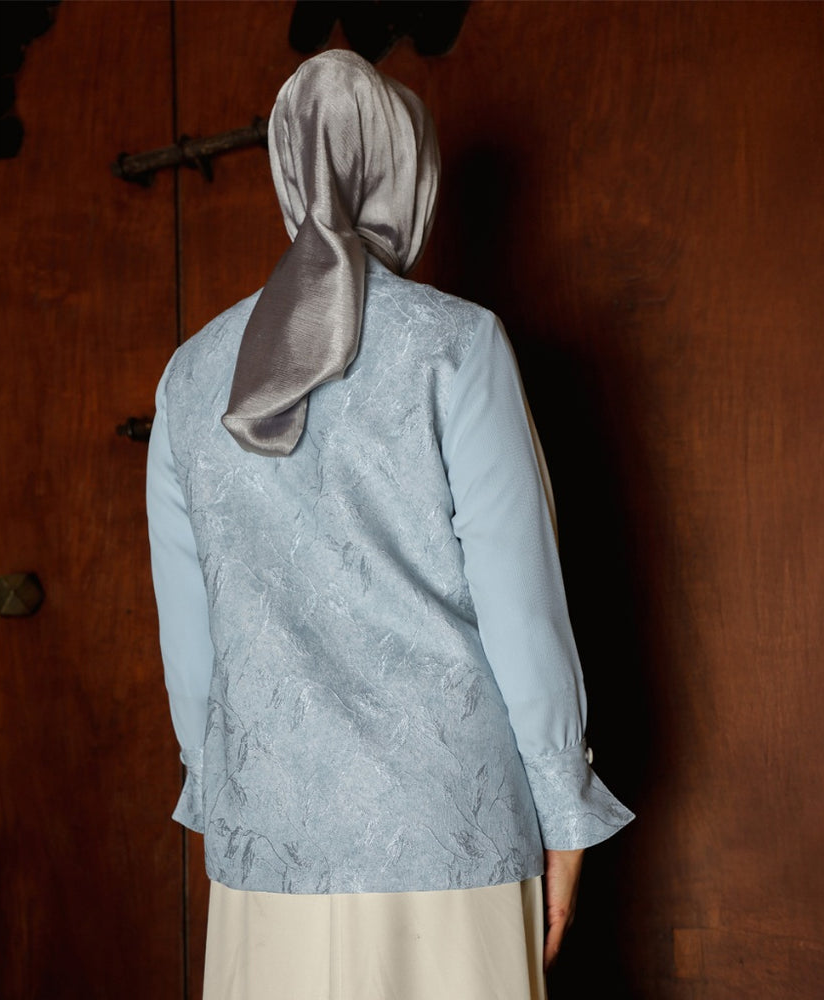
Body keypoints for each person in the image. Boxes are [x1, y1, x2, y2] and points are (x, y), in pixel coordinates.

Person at [147, 49, 633, 1000]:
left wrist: (231, 797)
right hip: (452, 832)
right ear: (411, 176)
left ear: (288, 173)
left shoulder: (189, 374)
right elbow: (521, 608)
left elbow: (190, 642)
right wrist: (564, 809)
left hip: (269, 841)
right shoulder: (458, 344)